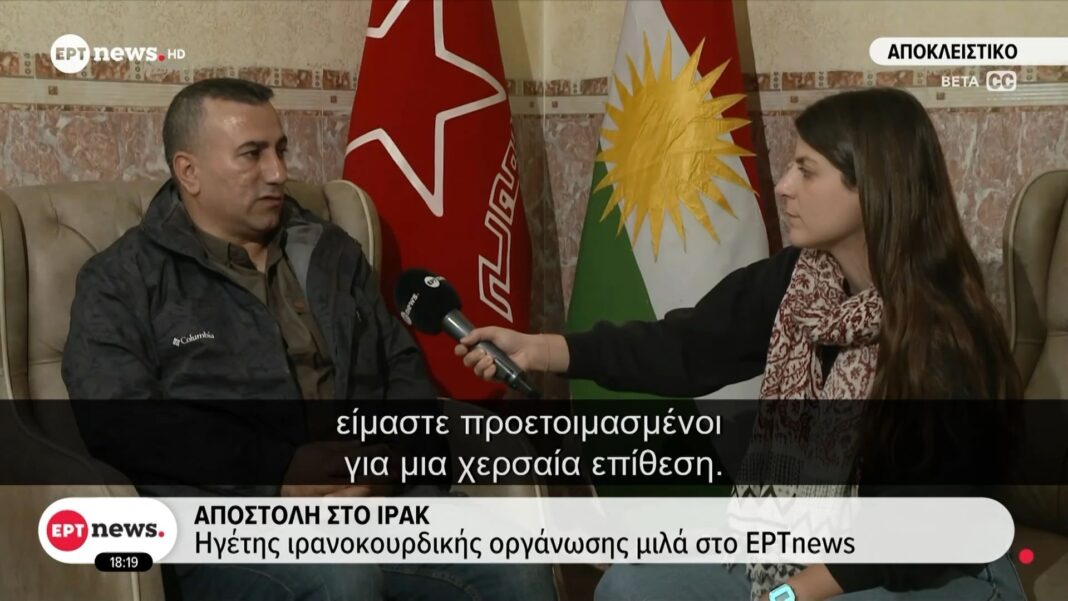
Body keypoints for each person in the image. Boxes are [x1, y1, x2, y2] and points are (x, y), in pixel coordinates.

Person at [455, 87, 1026, 600]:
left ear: (872, 186)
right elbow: (687, 346)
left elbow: (920, 527)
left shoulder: (946, 332)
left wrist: (790, 595)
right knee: (631, 587)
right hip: (794, 554)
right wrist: (543, 350)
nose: (784, 187)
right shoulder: (799, 282)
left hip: (930, 567)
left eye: (807, 171)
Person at [62, 77, 555, 601]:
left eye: (280, 150)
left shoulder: (329, 252)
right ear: (189, 171)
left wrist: (389, 465)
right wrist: (278, 473)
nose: (278, 173)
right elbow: (118, 423)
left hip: (373, 503)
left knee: (515, 566)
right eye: (252, 154)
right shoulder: (123, 279)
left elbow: (401, 369)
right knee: (338, 576)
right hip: (223, 519)